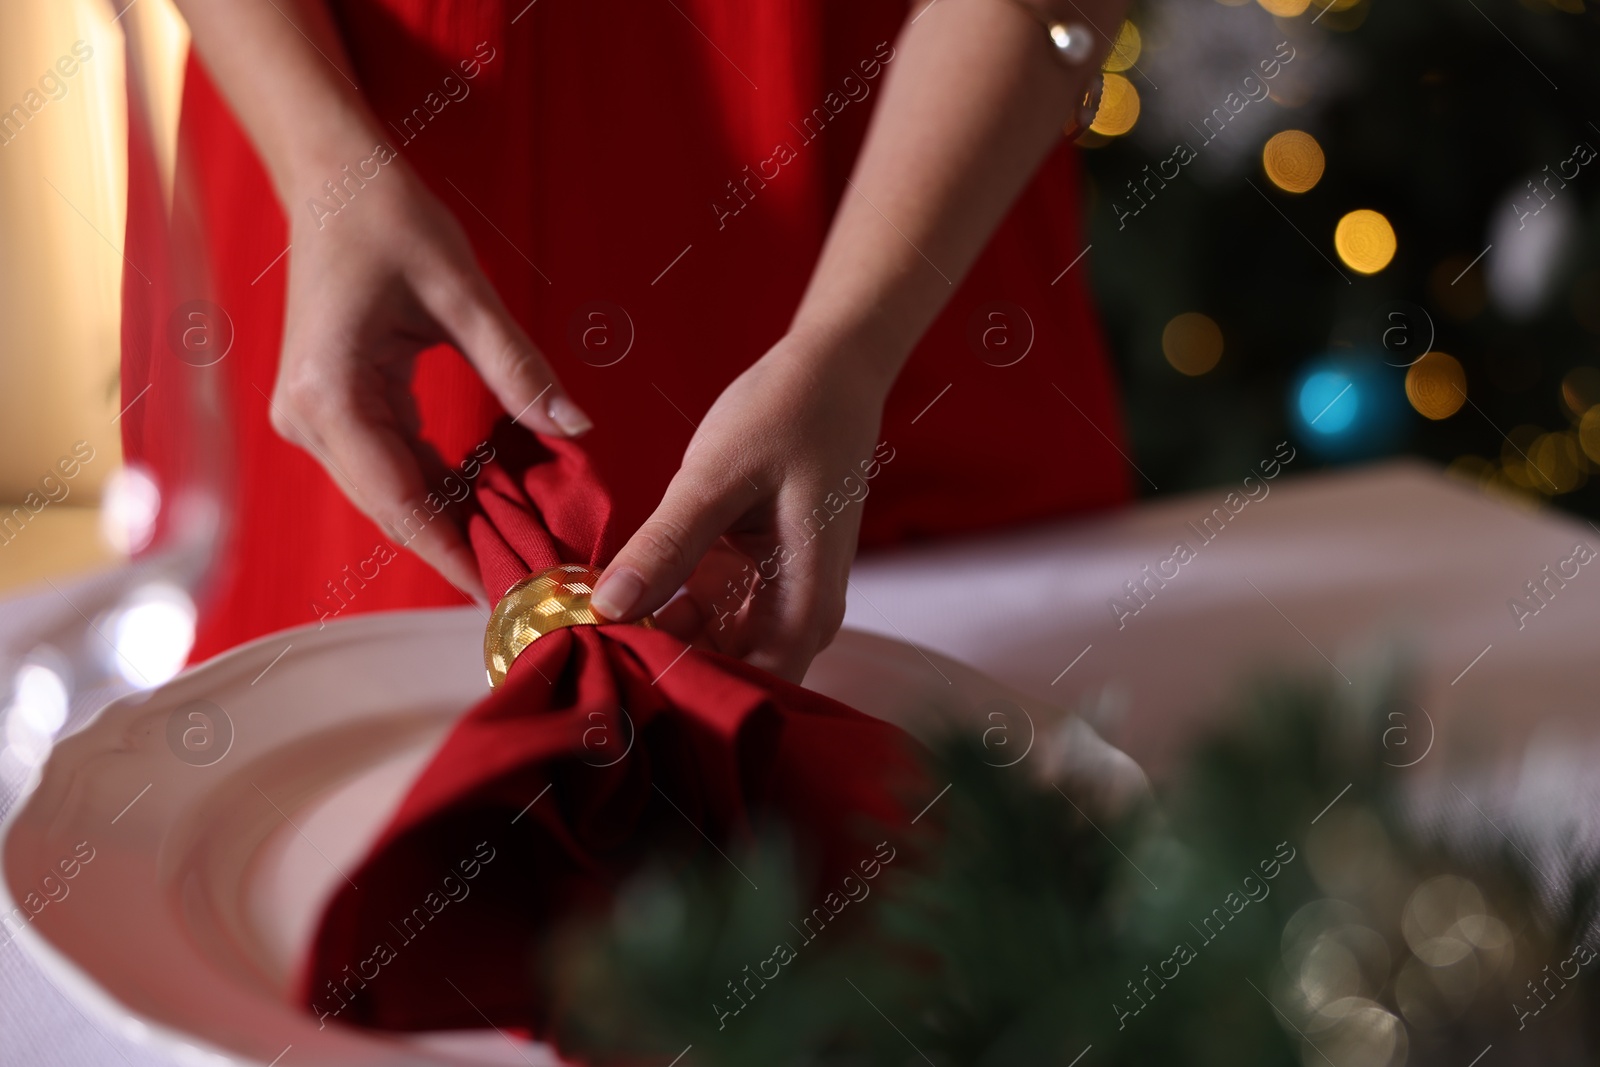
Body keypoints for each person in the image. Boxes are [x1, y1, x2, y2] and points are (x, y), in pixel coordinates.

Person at [123, 0, 1132, 681]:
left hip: (902, 169)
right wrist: (322, 161)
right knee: (335, 748)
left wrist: (854, 342)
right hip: (354, 151)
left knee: (949, 781)